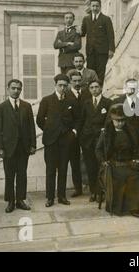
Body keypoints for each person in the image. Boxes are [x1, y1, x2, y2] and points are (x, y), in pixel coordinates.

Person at [95, 104, 139, 217]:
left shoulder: (130, 131)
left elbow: (136, 149)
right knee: (121, 177)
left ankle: (134, 208)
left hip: (128, 163)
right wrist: (103, 162)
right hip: (113, 165)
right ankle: (119, 208)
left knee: (135, 176)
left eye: (122, 121)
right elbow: (98, 150)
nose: (120, 123)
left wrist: (136, 159)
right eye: (117, 121)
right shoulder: (106, 133)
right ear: (112, 119)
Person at [36, 74, 80, 207]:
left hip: (66, 141)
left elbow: (77, 119)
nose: (62, 88)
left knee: (63, 169)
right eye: (60, 85)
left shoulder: (71, 101)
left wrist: (73, 132)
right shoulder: (46, 100)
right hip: (51, 141)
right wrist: (49, 130)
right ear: (55, 85)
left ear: (68, 86)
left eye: (65, 86)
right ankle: (50, 198)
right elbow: (39, 120)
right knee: (50, 170)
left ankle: (62, 196)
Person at [0, 79, 36, 213]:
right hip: (8, 148)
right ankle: (10, 201)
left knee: (22, 174)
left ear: (21, 90)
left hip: (23, 147)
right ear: (8, 89)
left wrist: (33, 145)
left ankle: (20, 200)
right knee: (9, 175)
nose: (16, 90)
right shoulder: (1, 107)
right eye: (13, 88)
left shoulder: (26, 106)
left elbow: (31, 127)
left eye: (18, 88)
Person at [79, 80, 113, 202]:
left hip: (101, 140)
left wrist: (104, 134)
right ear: (89, 89)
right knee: (90, 167)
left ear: (101, 88)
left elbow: (109, 121)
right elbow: (81, 121)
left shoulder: (108, 103)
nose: (94, 89)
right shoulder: (86, 103)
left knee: (101, 166)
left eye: (96, 87)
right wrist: (82, 137)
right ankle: (93, 192)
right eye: (92, 87)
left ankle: (101, 192)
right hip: (88, 140)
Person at [80, 0, 115, 84]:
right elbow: (82, 33)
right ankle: (91, 94)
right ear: (90, 7)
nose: (95, 8)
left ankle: (99, 93)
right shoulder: (86, 19)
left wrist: (111, 49)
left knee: (100, 73)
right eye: (93, 6)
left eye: (97, 6)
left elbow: (111, 35)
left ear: (100, 7)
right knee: (90, 73)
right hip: (90, 51)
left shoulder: (106, 19)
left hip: (102, 52)